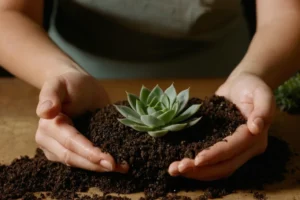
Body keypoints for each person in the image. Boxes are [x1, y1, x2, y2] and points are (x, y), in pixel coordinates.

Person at [0, 0, 299, 180]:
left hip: (228, 73)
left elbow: (288, 11)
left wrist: (253, 74)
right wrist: (59, 73)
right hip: (75, 75)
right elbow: (9, 12)